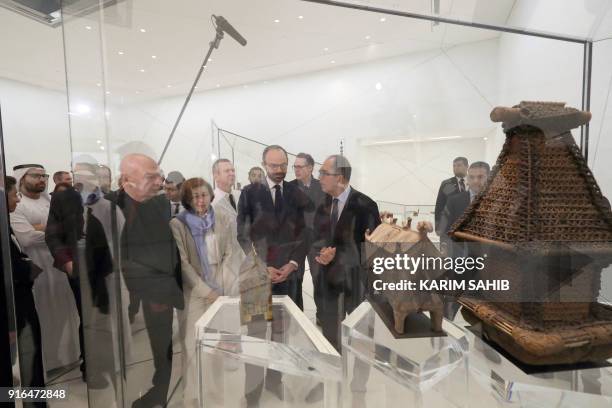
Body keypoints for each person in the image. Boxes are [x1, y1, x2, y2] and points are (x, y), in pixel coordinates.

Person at [46, 162, 132, 390]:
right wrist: (67, 261)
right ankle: (91, 368)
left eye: (87, 174)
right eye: (78, 174)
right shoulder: (63, 200)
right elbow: (53, 234)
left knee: (103, 315)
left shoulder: (108, 204)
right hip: (78, 269)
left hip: (105, 268)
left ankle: (104, 362)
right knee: (88, 317)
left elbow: (120, 238)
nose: (82, 178)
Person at [109, 154, 184, 408]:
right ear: (126, 180)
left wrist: (163, 293)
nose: (159, 182)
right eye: (151, 177)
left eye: (159, 175)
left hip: (158, 292)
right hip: (120, 290)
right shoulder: (111, 206)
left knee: (161, 343)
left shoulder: (158, 204)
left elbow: (165, 250)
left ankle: (159, 390)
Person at [237, 145, 308, 406]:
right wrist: (260, 265)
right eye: (274, 166)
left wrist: (292, 263)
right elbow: (242, 235)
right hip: (256, 277)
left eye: (283, 165)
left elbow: (304, 233)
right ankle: (252, 393)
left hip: (287, 276)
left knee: (281, 334)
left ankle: (275, 382)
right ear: (264, 164)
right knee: (255, 334)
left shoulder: (296, 192)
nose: (279, 171)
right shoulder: (249, 192)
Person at [170, 178, 236, 407]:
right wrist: (206, 291)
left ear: (210, 195)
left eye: (204, 194)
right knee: (193, 346)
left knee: (218, 345)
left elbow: (229, 252)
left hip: (221, 287)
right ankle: (193, 396)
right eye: (195, 196)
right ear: (187, 199)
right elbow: (183, 263)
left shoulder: (223, 217)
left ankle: (216, 394)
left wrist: (220, 284)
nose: (200, 200)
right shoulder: (178, 224)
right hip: (195, 292)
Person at [10, 164, 81, 373]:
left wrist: (44, 229)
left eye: (44, 176)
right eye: (36, 176)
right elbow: (26, 237)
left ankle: (67, 358)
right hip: (38, 269)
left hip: (59, 265)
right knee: (44, 314)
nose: (42, 179)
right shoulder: (19, 205)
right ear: (23, 178)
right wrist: (55, 231)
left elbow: (70, 228)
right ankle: (47, 364)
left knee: (65, 311)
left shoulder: (48, 200)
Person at [312, 155, 380, 350]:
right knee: (330, 338)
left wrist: (338, 256)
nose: (320, 178)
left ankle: (359, 380)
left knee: (362, 339)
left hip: (357, 285)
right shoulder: (321, 204)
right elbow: (316, 239)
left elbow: (374, 251)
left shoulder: (366, 205)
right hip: (328, 283)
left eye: (324, 173)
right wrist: (322, 253)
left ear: (340, 177)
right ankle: (335, 376)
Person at [5, 176, 46, 407]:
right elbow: (26, 243)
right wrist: (27, 263)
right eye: (14, 195)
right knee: (28, 356)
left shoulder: (6, 222)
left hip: (22, 299)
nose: (17, 200)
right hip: (17, 303)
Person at [439, 161, 490, 319]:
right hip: (460, 263)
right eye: (472, 177)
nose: (475, 181)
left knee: (482, 309)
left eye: (480, 177)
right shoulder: (455, 201)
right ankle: (444, 334)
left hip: (488, 265)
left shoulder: (498, 202)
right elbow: (444, 229)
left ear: (489, 178)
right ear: (467, 178)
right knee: (451, 304)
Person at [289, 152, 325, 312]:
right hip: (295, 243)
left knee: (319, 279)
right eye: (294, 166)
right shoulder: (288, 188)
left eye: (300, 166)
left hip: (317, 242)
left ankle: (322, 314)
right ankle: (297, 315)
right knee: (296, 279)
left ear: (310, 168)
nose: (296, 170)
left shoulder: (323, 187)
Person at [211, 158, 243, 296]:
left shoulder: (239, 196)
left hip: (243, 261)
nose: (231, 173)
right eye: (227, 171)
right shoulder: (211, 203)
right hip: (225, 267)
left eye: (233, 170)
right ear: (216, 175)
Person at [434, 157, 468, 255]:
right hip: (449, 228)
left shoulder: (473, 183)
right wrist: (438, 226)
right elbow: (439, 205)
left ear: (466, 167)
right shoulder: (447, 184)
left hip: (468, 229)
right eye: (454, 166)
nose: (456, 168)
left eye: (459, 165)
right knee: (448, 257)